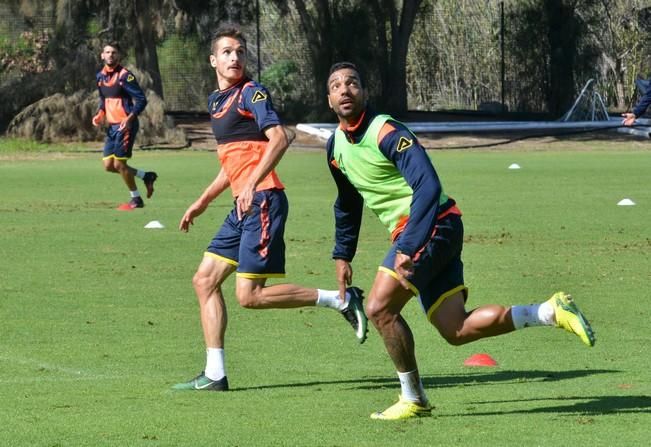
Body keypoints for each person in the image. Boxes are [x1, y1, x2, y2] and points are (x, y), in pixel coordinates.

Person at [324, 62, 596, 420]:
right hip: (430, 231)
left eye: (353, 83)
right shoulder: (335, 148)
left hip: (431, 225)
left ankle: (413, 397)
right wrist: (343, 254)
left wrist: (407, 246)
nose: (345, 90)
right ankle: (549, 311)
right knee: (456, 329)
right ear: (329, 100)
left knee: (378, 307)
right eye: (336, 86)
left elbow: (428, 186)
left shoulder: (387, 131)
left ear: (365, 92)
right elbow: (347, 202)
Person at [172, 27, 367, 392]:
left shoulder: (252, 92)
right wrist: (202, 201)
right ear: (213, 60)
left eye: (241, 52)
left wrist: (249, 184)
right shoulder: (217, 101)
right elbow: (233, 162)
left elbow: (279, 138)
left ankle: (341, 300)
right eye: (227, 52)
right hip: (243, 204)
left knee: (250, 296)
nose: (235, 58)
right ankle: (215, 375)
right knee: (204, 280)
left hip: (263, 200)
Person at [92, 41, 157, 210]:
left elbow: (141, 99)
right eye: (107, 52)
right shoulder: (100, 77)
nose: (110, 55)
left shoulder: (124, 76)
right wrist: (100, 114)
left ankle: (136, 199)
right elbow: (103, 100)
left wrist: (130, 118)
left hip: (125, 126)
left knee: (120, 165)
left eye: (113, 52)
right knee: (109, 166)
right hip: (111, 128)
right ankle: (146, 176)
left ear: (118, 55)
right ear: (102, 55)